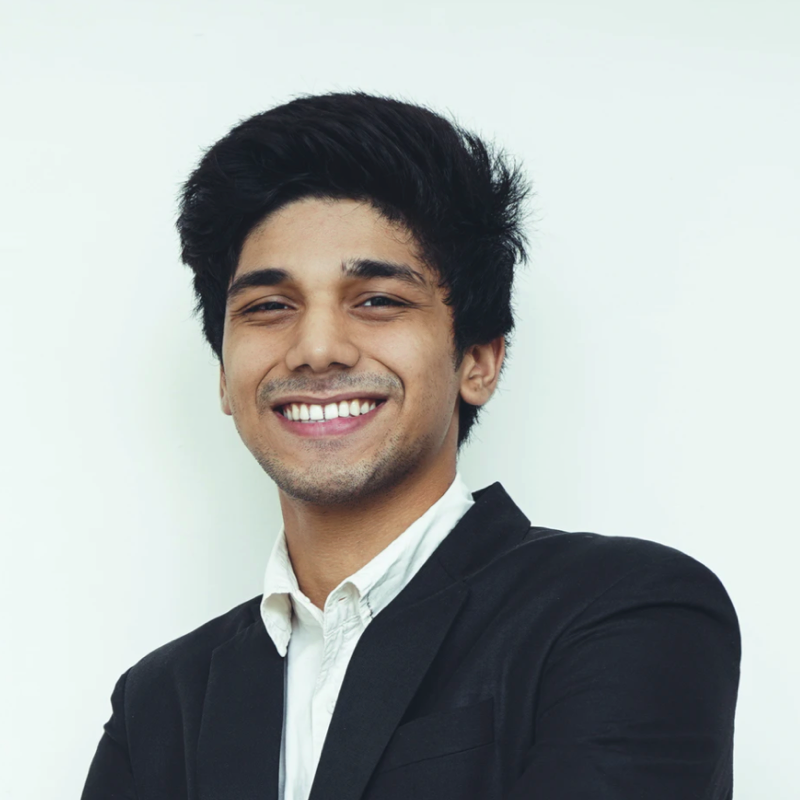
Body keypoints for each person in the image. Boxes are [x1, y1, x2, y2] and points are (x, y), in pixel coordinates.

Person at [81, 92, 740, 800]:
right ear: (223, 376)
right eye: (269, 307)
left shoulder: (623, 612)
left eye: (378, 301)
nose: (316, 348)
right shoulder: (159, 703)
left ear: (478, 362)